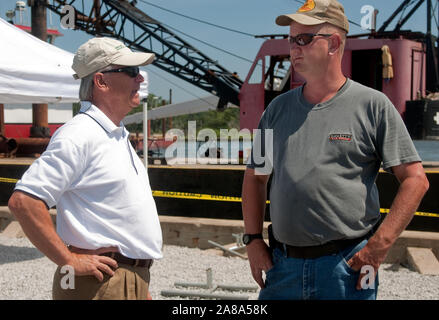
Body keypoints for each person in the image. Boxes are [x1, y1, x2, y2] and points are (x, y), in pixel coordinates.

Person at [242, 0, 429, 300]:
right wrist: (252, 240)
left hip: (347, 270)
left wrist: (379, 246)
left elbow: (416, 180)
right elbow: (255, 178)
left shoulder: (373, 107)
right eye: (291, 40)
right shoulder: (275, 111)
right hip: (283, 267)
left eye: (304, 39)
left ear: (334, 44)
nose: (294, 48)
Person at [8, 37, 162, 300]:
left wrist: (137, 283)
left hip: (121, 278)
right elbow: (24, 202)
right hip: (101, 282)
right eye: (132, 72)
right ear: (101, 82)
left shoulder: (113, 135)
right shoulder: (80, 134)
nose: (140, 80)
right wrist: (69, 260)